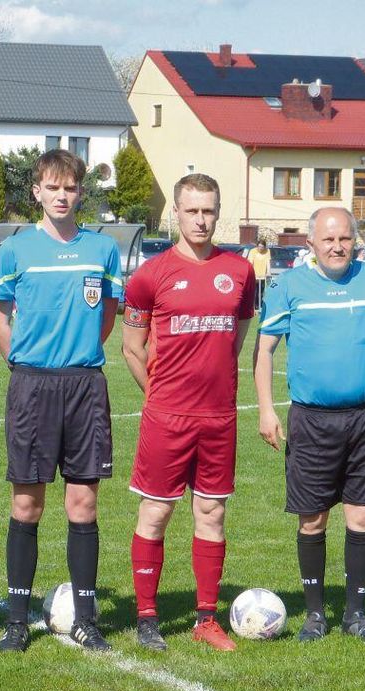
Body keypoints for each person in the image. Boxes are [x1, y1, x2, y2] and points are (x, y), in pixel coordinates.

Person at [254, 206, 365, 644]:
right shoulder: (289, 286)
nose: (337, 246)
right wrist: (267, 409)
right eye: (328, 240)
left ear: (354, 241)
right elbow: (264, 350)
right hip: (312, 421)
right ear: (311, 245)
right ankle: (314, 615)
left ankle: (356, 614)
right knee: (313, 520)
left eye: (344, 238)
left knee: (361, 516)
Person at [0, 149, 123, 653]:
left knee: (83, 503)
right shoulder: (15, 251)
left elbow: (107, 316)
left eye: (70, 188)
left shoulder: (103, 249)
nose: (62, 195)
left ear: (80, 193)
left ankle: (86, 618)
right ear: (37, 192)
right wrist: (21, 362)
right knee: (27, 502)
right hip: (32, 385)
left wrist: (78, 354)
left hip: (84, 385)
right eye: (53, 186)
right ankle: (17, 621)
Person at [121, 173, 256, 651]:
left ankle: (205, 618)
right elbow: (132, 348)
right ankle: (146, 617)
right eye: (192, 210)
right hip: (167, 417)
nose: (201, 219)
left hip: (218, 417)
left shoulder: (240, 272)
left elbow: (235, 339)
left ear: (219, 212)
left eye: (209, 210)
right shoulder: (149, 275)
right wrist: (159, 395)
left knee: (212, 511)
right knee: (155, 512)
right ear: (175, 213)